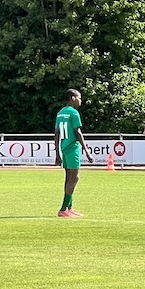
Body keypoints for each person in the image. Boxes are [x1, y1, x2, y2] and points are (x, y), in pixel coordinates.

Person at [55, 89, 92, 218]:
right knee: (74, 178)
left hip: (64, 147)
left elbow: (56, 134)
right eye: (79, 98)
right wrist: (87, 151)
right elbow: (78, 132)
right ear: (72, 98)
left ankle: (69, 208)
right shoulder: (74, 113)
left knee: (68, 178)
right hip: (72, 147)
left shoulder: (60, 113)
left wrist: (57, 154)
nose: (80, 101)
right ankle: (63, 209)